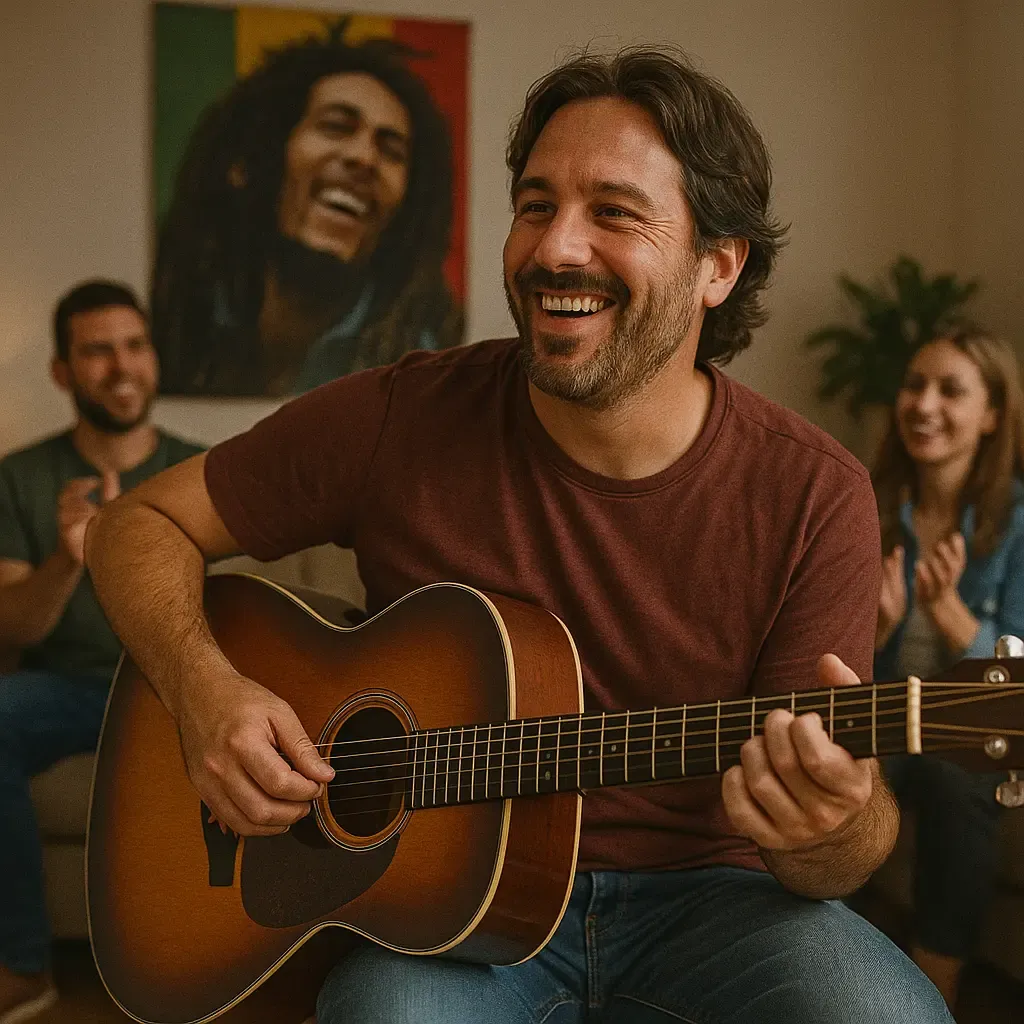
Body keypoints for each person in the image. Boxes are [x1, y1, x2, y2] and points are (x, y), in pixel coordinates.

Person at [85, 49, 950, 1023]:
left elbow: (832, 850)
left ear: (718, 264)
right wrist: (205, 690)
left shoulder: (814, 492)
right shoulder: (403, 413)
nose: (554, 248)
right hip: (441, 924)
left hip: (715, 903)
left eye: (612, 212)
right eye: (535, 204)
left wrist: (832, 821)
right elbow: (135, 524)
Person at [0, 280, 204, 1022]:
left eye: (134, 345)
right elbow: (13, 632)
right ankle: (25, 968)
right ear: (62, 371)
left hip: (176, 689)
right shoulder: (20, 478)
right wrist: (66, 560)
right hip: (73, 691)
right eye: (97, 351)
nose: (121, 366)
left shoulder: (204, 470)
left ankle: (211, 966)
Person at [152, 22, 462, 397]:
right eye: (335, 126)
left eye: (391, 150)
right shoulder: (172, 313)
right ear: (252, 160)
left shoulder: (426, 361)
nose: (364, 158)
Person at [873, 328, 1024, 1013]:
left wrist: (947, 611)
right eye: (914, 385)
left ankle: (934, 994)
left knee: (952, 769)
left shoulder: (1019, 522)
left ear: (992, 415)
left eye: (950, 390)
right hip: (883, 714)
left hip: (980, 730)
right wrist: (875, 628)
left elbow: (1017, 687)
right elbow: (829, 668)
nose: (924, 404)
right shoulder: (866, 505)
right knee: (837, 764)